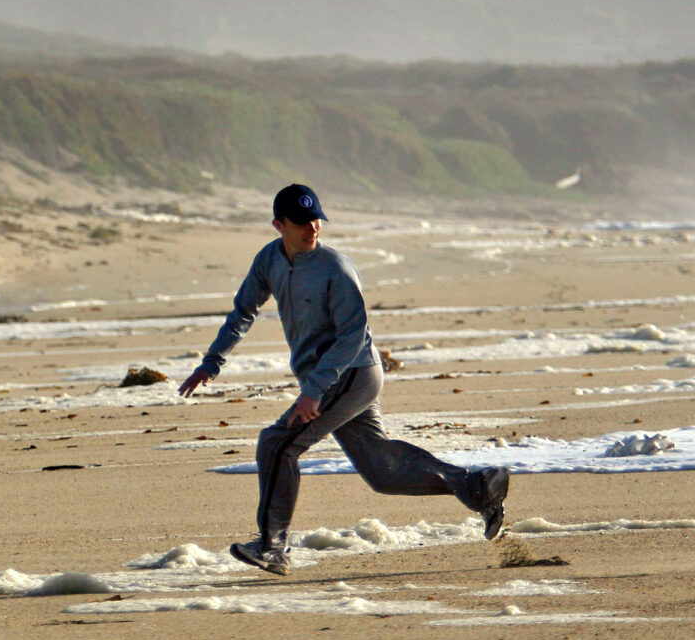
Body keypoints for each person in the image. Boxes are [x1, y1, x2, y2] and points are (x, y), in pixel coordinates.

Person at [178, 183, 509, 576]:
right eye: (301, 222)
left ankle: (272, 547)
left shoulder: (335, 269)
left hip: (352, 372)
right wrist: (211, 362)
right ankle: (477, 486)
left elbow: (351, 336)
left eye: (316, 219)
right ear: (278, 224)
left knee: (277, 444)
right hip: (333, 378)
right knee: (381, 472)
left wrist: (313, 393)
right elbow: (243, 311)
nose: (312, 227)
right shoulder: (269, 259)